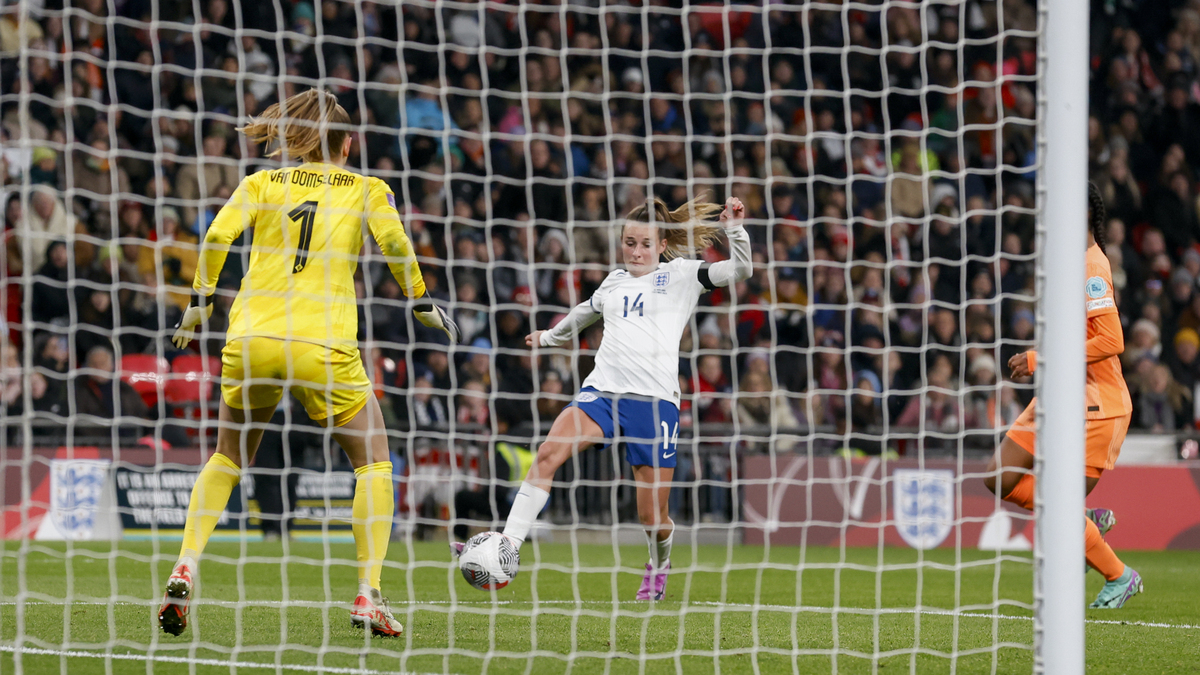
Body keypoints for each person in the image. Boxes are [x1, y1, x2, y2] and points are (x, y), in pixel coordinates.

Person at [158, 89, 459, 638]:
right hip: (322, 343)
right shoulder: (368, 189)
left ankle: (186, 564)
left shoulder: (261, 183)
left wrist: (200, 302)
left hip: (251, 338)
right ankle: (368, 593)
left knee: (228, 456)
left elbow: (218, 234)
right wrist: (419, 298)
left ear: (298, 142)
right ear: (348, 142)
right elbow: (394, 241)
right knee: (373, 461)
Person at [458, 195, 751, 601]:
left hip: (654, 403)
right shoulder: (613, 283)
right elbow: (582, 313)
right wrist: (548, 337)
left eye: (645, 244)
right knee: (548, 453)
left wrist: (734, 229)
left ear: (662, 245)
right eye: (629, 242)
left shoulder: (683, 275)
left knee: (652, 517)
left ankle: (659, 563)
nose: (636, 251)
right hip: (602, 393)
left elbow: (740, 269)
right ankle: (507, 547)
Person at [983, 182, 1141, 609]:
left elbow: (1112, 340)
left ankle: (1119, 574)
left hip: (1097, 406)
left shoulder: (1093, 266)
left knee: (1057, 504)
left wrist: (1041, 358)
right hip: (1059, 397)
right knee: (998, 476)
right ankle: (1083, 520)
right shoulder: (1071, 265)